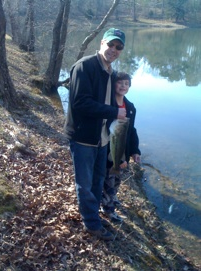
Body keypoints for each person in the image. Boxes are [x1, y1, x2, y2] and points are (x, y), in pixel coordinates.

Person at [64, 28, 126, 241]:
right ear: (101, 43)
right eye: (111, 44)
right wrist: (113, 112)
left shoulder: (111, 73)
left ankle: (94, 214)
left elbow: (110, 101)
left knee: (98, 180)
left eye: (118, 47)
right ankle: (92, 225)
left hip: (102, 138)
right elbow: (80, 103)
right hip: (83, 138)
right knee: (85, 183)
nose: (113, 50)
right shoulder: (85, 66)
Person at [101, 72, 141, 222]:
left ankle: (113, 197)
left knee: (117, 178)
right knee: (108, 181)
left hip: (122, 153)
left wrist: (135, 151)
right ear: (113, 84)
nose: (123, 86)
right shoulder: (107, 104)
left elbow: (132, 131)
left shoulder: (130, 107)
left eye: (126, 83)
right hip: (108, 150)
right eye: (120, 83)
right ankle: (108, 209)